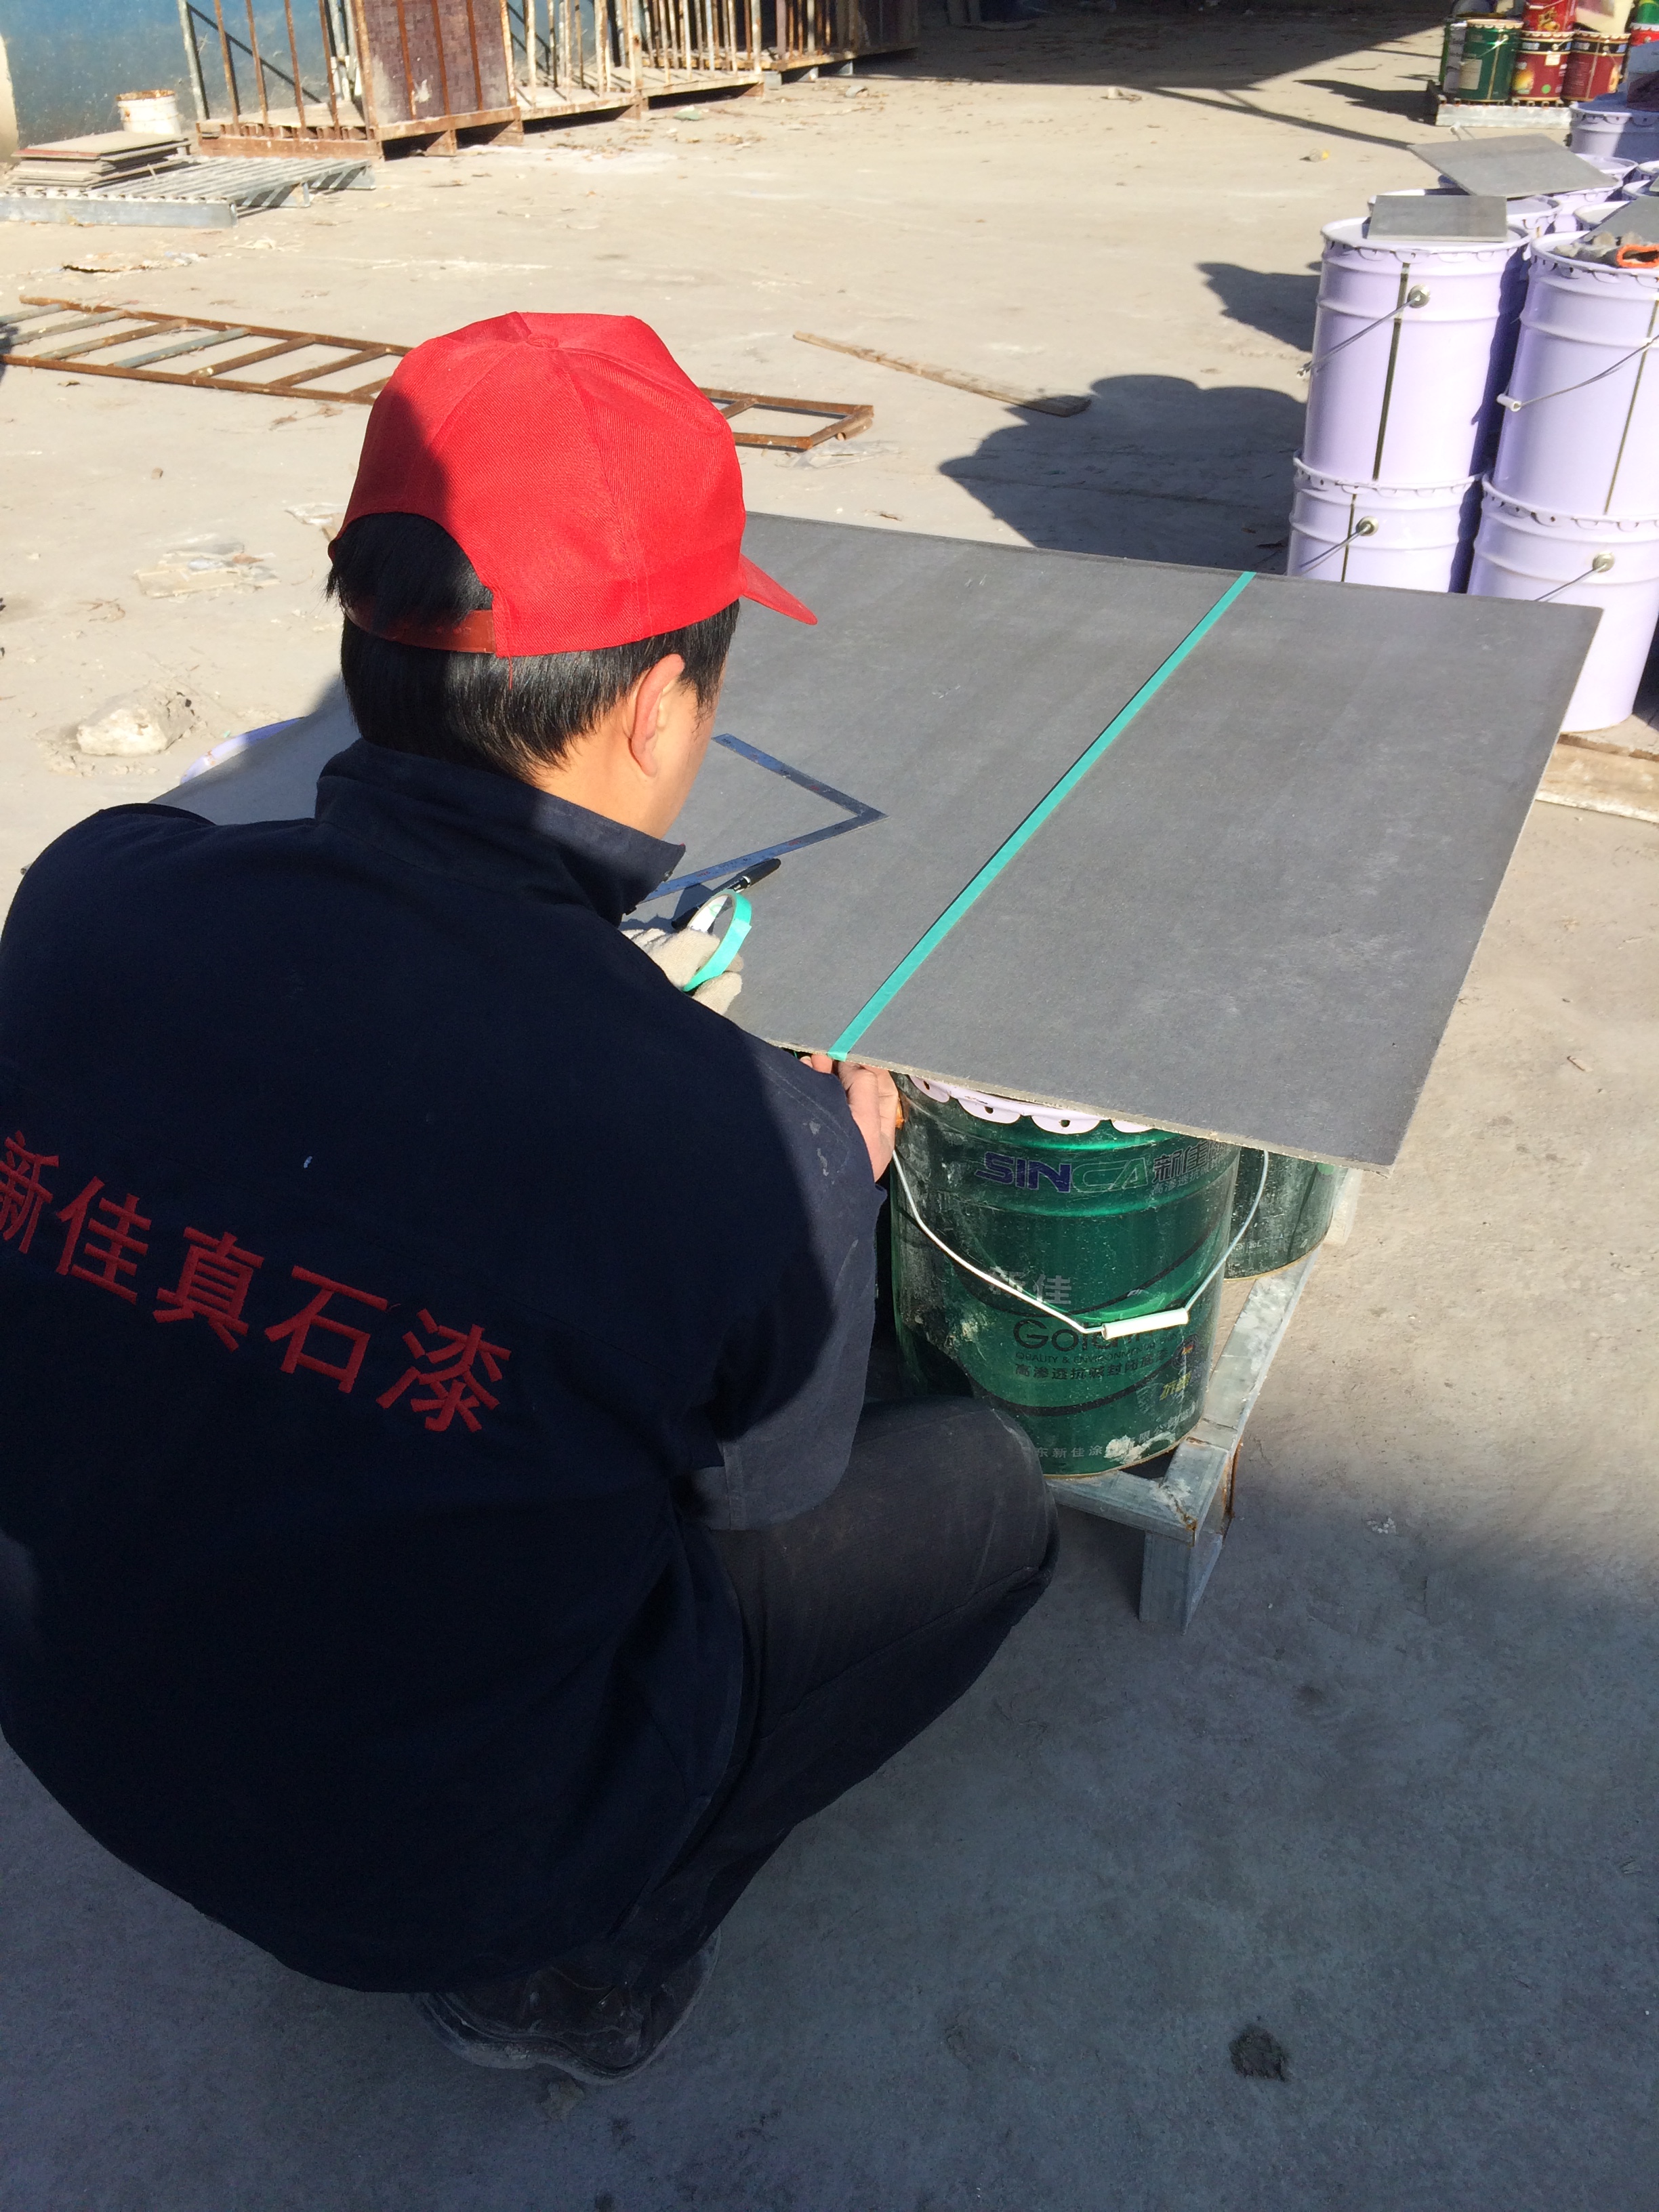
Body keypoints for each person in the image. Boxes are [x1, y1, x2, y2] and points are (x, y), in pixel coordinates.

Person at [0, 313, 1057, 2083]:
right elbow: (762, 1497)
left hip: (74, 1724)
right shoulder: (741, 1141)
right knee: (987, 1500)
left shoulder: (90, 896)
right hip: (430, 1871)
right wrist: (823, 1175)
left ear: (364, 639)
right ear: (660, 705)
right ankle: (580, 1962)